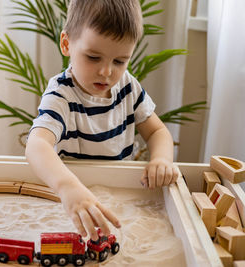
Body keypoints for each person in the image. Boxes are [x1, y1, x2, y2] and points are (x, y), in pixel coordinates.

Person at [25, 0, 179, 241]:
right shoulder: (60, 95)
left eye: (119, 61)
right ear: (66, 44)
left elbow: (157, 131)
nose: (107, 72)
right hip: (75, 200)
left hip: (118, 194)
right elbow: (37, 145)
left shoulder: (127, 86)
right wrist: (68, 187)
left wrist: (162, 159)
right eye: (94, 57)